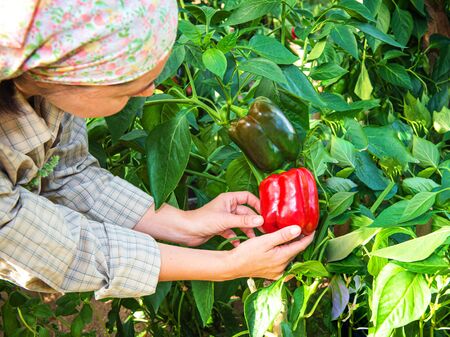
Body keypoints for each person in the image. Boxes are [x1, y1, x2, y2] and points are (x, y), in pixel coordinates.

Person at [0, 0, 314, 300]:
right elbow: (41, 243)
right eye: (127, 91)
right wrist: (225, 266)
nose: (151, 91)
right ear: (68, 78)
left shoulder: (52, 85)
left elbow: (67, 172)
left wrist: (184, 224)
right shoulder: (57, 78)